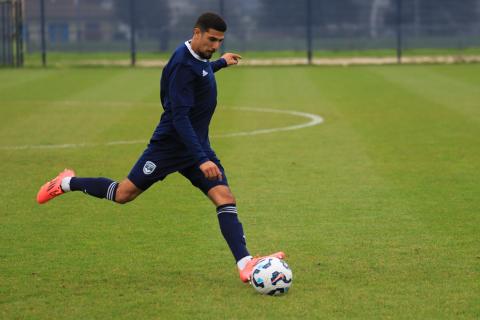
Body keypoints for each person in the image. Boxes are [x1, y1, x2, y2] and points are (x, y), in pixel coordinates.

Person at [36, 12, 284, 283]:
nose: (215, 47)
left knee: (224, 197)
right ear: (196, 33)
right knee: (123, 194)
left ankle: (245, 264)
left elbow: (200, 73)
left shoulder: (199, 59)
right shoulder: (181, 64)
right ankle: (66, 183)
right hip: (169, 147)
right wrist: (201, 159)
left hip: (196, 146)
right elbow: (179, 117)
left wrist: (220, 64)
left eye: (220, 42)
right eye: (211, 40)